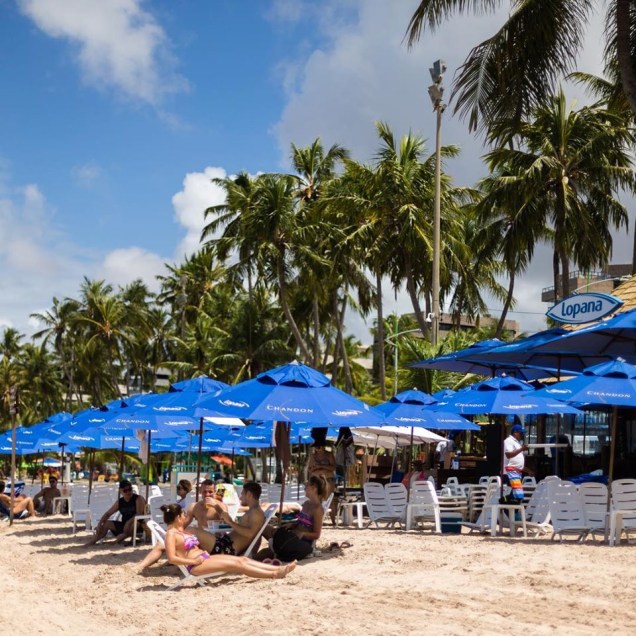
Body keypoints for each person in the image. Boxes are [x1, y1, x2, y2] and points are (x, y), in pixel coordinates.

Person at [138, 481, 265, 572]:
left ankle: (170, 562)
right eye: (205, 492)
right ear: (200, 492)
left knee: (190, 532)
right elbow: (182, 526)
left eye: (210, 492)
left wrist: (219, 509)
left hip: (224, 547)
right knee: (168, 541)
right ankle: (143, 565)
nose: (207, 495)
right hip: (216, 544)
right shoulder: (195, 507)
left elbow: (250, 534)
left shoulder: (254, 513)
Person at [158, 503, 296, 580]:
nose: (185, 517)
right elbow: (172, 558)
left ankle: (277, 569)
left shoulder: (180, 531)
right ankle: (274, 574)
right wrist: (193, 562)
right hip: (195, 566)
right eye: (183, 515)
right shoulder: (171, 534)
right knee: (238, 564)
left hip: (205, 557)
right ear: (177, 518)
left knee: (242, 560)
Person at [262, 475, 326, 563]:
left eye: (307, 485)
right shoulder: (306, 504)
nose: (304, 488)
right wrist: (293, 525)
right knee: (264, 528)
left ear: (314, 488)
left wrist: (302, 533)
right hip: (293, 536)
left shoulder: (318, 509)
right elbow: (301, 523)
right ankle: (267, 550)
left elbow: (317, 534)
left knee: (268, 533)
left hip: (301, 542)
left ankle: (266, 551)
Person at [84, 480, 146, 545]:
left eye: (130, 489)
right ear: (120, 491)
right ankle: (94, 541)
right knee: (106, 523)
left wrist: (128, 522)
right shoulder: (120, 502)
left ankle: (116, 541)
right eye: (125, 490)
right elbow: (107, 514)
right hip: (124, 525)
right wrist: (99, 524)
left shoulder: (138, 499)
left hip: (137, 526)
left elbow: (139, 514)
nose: (128, 492)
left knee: (135, 523)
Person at [503, 423, 533, 502]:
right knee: (518, 496)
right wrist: (521, 449)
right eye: (521, 433)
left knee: (515, 496)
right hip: (510, 472)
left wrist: (528, 471)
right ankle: (505, 504)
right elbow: (509, 455)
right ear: (515, 433)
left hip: (516, 472)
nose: (522, 435)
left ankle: (510, 509)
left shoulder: (517, 443)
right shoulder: (509, 441)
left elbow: (517, 463)